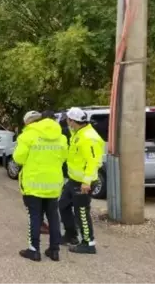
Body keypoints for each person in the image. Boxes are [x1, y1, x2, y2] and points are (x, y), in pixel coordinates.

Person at [13, 110, 68, 262]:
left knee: (35, 216)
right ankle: (54, 250)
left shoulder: (28, 135)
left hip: (33, 183)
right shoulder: (61, 137)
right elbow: (64, 157)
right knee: (53, 217)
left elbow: (18, 158)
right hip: (53, 184)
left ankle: (34, 250)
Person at [59, 107, 104, 254]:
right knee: (63, 205)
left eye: (67, 119)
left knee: (82, 212)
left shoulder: (88, 137)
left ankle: (88, 243)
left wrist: (87, 182)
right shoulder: (78, 133)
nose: (66, 122)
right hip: (73, 180)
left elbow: (93, 162)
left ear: (72, 121)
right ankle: (71, 235)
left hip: (83, 182)